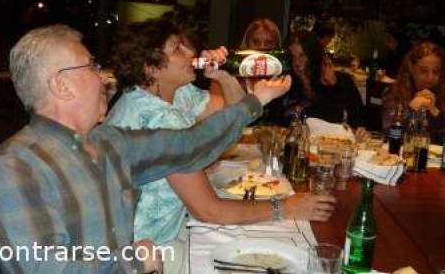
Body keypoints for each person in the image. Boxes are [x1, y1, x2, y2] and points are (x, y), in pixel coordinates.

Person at [0, 25, 290, 274]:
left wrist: (255, 101)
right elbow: (46, 267)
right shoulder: (14, 167)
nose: (106, 77)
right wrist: (132, 261)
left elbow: (190, 145)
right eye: (91, 66)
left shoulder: (108, 144)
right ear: (60, 85)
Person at [107, 19, 337, 273]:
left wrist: (223, 75)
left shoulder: (170, 92)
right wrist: (287, 207)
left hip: (165, 230)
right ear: (151, 69)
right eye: (177, 49)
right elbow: (209, 210)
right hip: (146, 250)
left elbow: (236, 114)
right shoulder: (159, 117)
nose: (191, 52)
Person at [286, 31, 368, 136]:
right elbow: (279, 123)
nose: (297, 62)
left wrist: (361, 132)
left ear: (314, 56)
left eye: (302, 55)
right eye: (293, 57)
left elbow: (358, 123)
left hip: (334, 146)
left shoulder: (340, 81)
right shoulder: (287, 85)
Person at [382, 40, 445, 144]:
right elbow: (389, 135)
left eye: (436, 71)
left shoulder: (444, 94)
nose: (430, 77)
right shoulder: (394, 92)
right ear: (411, 68)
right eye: (424, 71)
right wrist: (411, 109)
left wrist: (435, 112)